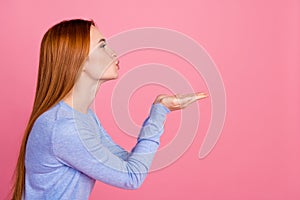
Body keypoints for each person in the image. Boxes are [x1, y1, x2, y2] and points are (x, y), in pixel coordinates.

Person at [11, 19, 208, 200]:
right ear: (79, 60)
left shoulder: (82, 117)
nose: (113, 53)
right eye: (102, 46)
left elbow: (124, 162)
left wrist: (160, 107)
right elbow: (132, 176)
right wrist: (160, 112)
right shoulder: (65, 128)